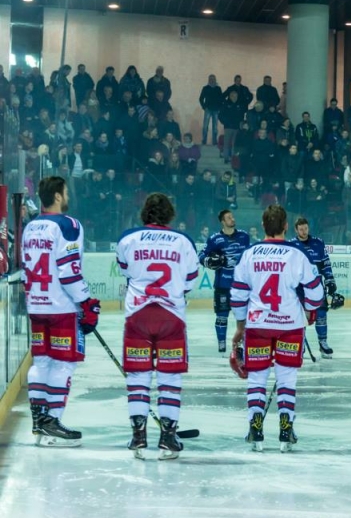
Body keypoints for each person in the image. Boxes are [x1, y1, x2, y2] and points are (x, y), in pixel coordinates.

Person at [231, 204, 325, 452]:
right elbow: (316, 293)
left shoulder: (250, 254)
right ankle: (286, 429)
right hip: (289, 326)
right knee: (287, 378)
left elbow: (238, 294)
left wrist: (240, 325)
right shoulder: (297, 254)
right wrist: (309, 309)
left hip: (258, 325)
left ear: (263, 225)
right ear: (285, 226)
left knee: (257, 378)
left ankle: (255, 428)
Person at [115, 193, 199, 460]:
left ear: (145, 212)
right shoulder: (183, 241)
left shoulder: (128, 238)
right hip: (171, 317)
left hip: (137, 315)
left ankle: (138, 437)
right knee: (169, 379)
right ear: (170, 214)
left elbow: (125, 270)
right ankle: (168, 439)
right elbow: (190, 281)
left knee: (137, 378)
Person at [23, 177, 101, 447]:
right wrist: (86, 302)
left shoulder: (30, 226)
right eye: (65, 192)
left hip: (36, 304)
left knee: (41, 362)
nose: (67, 196)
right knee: (63, 363)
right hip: (61, 307)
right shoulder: (68, 225)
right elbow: (69, 270)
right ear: (57, 196)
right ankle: (53, 420)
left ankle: (39, 420)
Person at [198, 209, 251, 352]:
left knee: (244, 318)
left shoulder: (244, 236)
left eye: (232, 217)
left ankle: (243, 345)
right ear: (223, 221)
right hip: (223, 284)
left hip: (242, 285)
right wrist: (209, 261)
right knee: (222, 316)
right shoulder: (215, 239)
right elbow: (201, 255)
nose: (232, 219)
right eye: (229, 218)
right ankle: (221, 346)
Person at [290, 217, 338, 358]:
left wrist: (330, 280)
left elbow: (326, 263)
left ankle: (323, 343)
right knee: (300, 316)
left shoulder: (318, 243)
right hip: (299, 288)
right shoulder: (291, 245)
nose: (304, 231)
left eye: (305, 228)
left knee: (321, 313)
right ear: (296, 230)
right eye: (301, 229)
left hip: (316, 285)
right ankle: (300, 344)